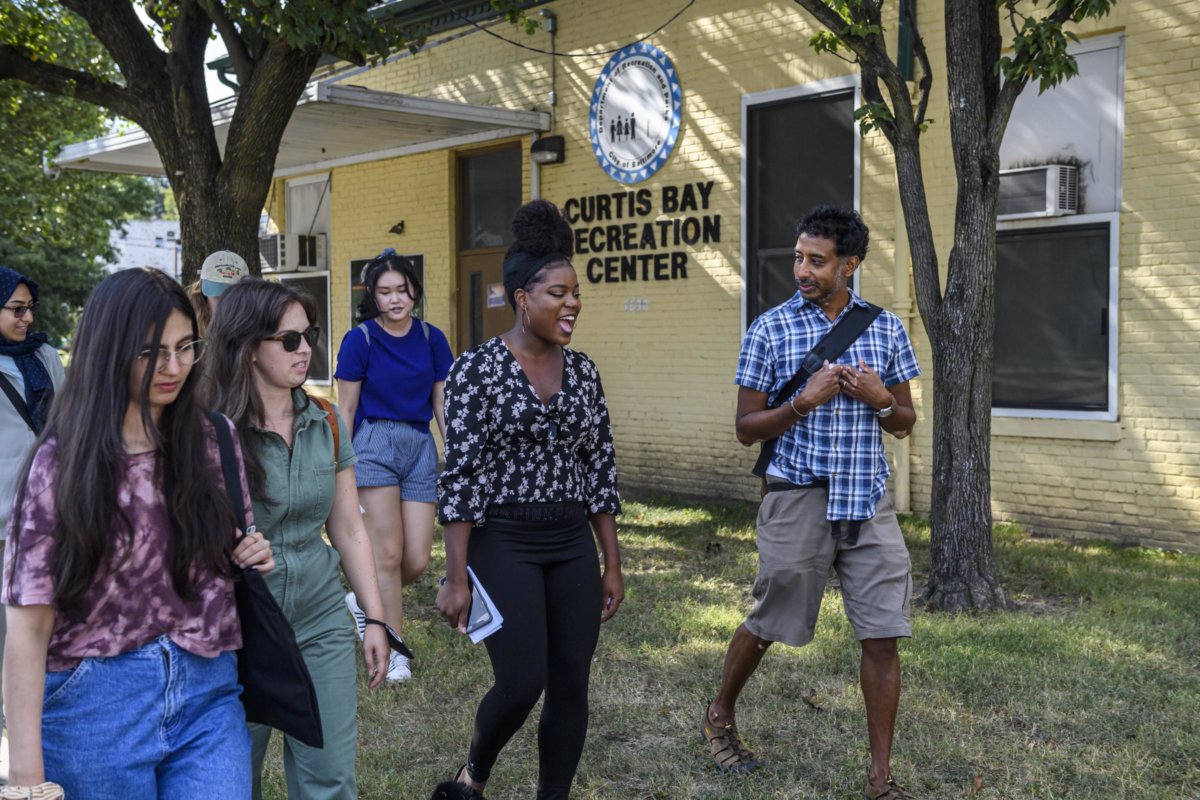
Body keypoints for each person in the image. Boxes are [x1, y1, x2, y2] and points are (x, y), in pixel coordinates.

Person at [2, 267, 275, 799]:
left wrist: (247, 550)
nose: (174, 367)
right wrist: (26, 777)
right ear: (110, 351)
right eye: (151, 353)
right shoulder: (59, 466)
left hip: (207, 692)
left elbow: (224, 547)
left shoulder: (213, 439)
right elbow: (28, 625)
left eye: (185, 347)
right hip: (93, 709)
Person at [701, 205, 921, 800]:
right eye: (799, 257)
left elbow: (904, 421)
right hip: (797, 498)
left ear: (849, 265)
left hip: (867, 499)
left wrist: (879, 398)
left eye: (817, 261)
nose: (803, 269)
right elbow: (747, 428)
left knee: (882, 634)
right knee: (771, 620)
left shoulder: (885, 327)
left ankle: (880, 779)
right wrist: (803, 402)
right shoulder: (768, 329)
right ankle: (720, 710)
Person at [433, 200, 624, 800]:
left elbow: (600, 468)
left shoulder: (585, 372)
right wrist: (455, 576)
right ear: (522, 296)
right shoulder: (476, 371)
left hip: (569, 540)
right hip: (503, 540)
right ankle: (474, 776)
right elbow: (460, 476)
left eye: (576, 293)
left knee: (571, 683)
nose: (572, 304)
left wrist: (611, 561)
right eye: (558, 293)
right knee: (521, 680)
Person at [206, 278, 389, 800]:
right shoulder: (209, 431)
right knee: (231, 782)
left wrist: (374, 618)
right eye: (289, 340)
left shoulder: (326, 419)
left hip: (319, 619)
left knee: (329, 779)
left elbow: (349, 526)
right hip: (237, 629)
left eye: (308, 336)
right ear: (247, 347)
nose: (305, 349)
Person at [335, 249, 452, 683]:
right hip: (373, 445)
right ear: (374, 297)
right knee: (386, 555)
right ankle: (396, 650)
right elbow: (345, 409)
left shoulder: (431, 338)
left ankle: (364, 604)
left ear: (414, 291)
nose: (395, 299)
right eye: (385, 292)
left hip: (420, 446)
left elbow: (441, 400)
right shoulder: (360, 340)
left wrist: (453, 449)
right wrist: (340, 467)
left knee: (416, 559)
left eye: (402, 289)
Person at [0, 267, 65, 698]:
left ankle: (38, 707)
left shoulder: (46, 357)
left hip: (51, 513)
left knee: (48, 618)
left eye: (31, 309)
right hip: (2, 516)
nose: (27, 319)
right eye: (16, 309)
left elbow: (69, 422)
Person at [187, 249, 250, 334]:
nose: (226, 304)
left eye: (233, 298)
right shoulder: (187, 333)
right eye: (218, 296)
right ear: (203, 296)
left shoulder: (256, 336)